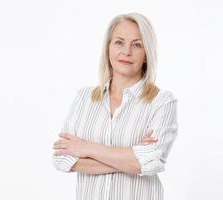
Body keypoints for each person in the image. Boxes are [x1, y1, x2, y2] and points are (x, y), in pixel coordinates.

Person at [52, 12, 178, 200]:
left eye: (137, 45)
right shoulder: (83, 98)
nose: (126, 52)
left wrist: (86, 149)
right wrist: (131, 159)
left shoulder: (162, 102)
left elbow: (151, 162)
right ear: (108, 48)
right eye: (119, 42)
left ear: (146, 54)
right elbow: (62, 159)